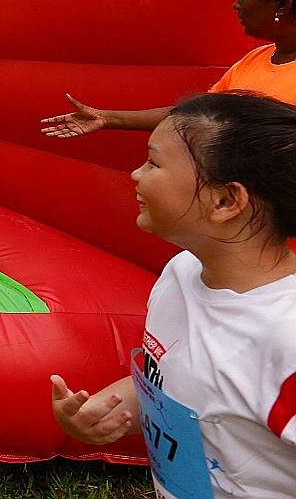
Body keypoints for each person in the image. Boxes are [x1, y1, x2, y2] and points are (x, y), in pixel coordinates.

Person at [50, 92, 296, 498]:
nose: (135, 174)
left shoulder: (285, 338)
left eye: (153, 162)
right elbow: (169, 375)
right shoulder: (182, 273)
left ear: (225, 200)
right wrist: (110, 408)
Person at [42, 0, 296, 137]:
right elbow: (203, 114)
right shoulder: (256, 59)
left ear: (282, 5)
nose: (237, 4)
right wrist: (106, 117)